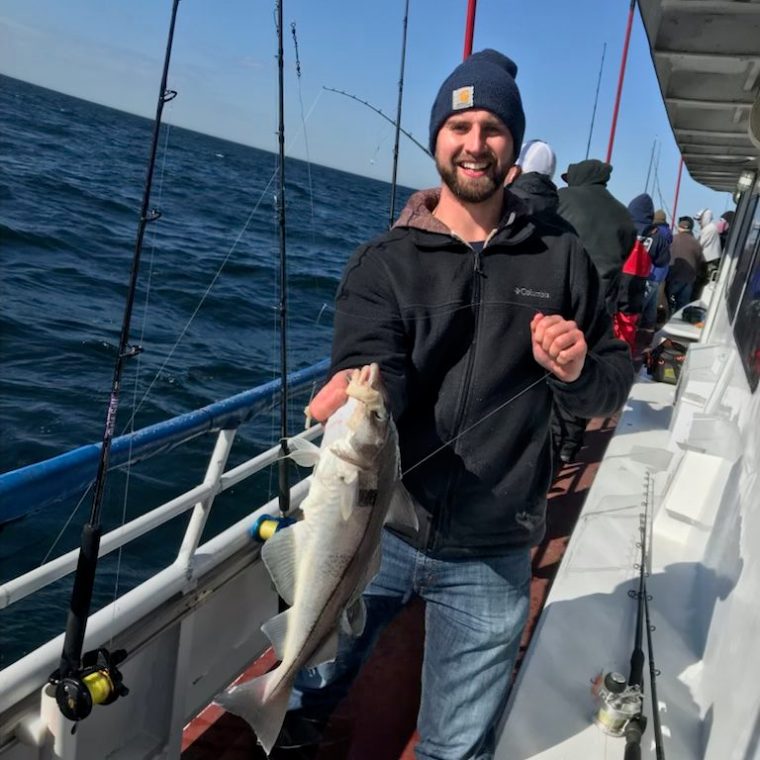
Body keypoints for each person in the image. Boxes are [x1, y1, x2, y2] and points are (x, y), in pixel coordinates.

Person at [283, 49, 634, 760]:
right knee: (310, 679)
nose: (476, 143)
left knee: (455, 747)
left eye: (493, 128)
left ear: (513, 143)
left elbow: (613, 378)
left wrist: (574, 371)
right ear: (438, 136)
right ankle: (289, 725)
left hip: (497, 540)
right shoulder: (384, 262)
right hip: (378, 525)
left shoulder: (562, 258)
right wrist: (363, 386)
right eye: (460, 124)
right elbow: (377, 370)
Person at [557, 159, 637, 314]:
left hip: (562, 288)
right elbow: (626, 253)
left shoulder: (562, 197)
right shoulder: (624, 213)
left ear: (579, 177)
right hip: (603, 298)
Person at [625, 196, 671, 333]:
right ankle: (646, 331)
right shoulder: (658, 236)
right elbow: (662, 261)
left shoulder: (622, 227)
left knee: (628, 311)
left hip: (623, 278)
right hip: (648, 277)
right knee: (647, 306)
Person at [666, 215, 705, 312]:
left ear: (679, 227)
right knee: (681, 309)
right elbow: (701, 263)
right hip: (689, 280)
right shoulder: (696, 243)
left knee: (666, 304)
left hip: (672, 277)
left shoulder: (672, 239)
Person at [695, 208, 722, 279]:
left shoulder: (708, 229)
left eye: (699, 220)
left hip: (709, 261)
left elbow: (699, 244)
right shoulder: (711, 228)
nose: (698, 222)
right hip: (709, 259)